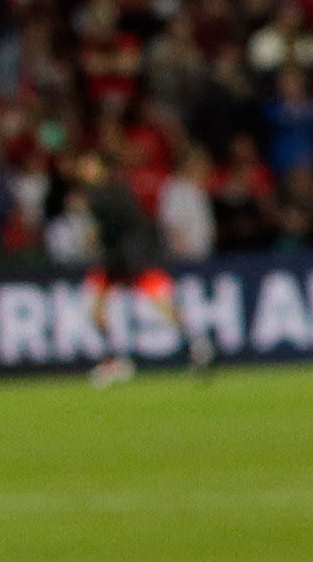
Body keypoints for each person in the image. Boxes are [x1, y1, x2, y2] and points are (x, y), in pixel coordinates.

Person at [70, 144, 209, 383]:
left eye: (88, 164)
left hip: (134, 257)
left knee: (161, 303)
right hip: (118, 258)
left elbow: (122, 225)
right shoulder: (102, 191)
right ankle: (115, 359)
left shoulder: (108, 192)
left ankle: (195, 344)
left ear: (101, 167)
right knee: (96, 307)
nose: (84, 169)